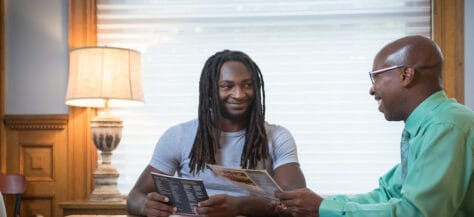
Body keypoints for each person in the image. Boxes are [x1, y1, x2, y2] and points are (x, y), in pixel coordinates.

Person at [275, 35, 474, 217]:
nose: (372, 89)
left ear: (406, 75)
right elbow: (387, 193)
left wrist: (322, 208)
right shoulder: (430, 125)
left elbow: (415, 213)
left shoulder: (446, 126)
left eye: (375, 76)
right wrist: (318, 204)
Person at [127, 49, 306, 217]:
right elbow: (134, 197)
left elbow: (296, 203)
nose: (239, 94)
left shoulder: (277, 137)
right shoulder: (178, 136)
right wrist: (146, 205)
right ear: (210, 91)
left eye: (247, 85)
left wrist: (239, 206)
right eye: (227, 86)